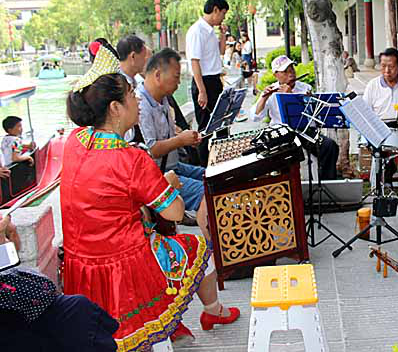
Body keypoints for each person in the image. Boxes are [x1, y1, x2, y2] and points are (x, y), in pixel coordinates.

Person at [61, 46, 240, 351]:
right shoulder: (130, 158)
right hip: (125, 263)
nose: (137, 101)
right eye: (131, 94)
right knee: (196, 247)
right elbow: (174, 212)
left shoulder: (75, 141)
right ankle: (211, 311)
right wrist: (170, 184)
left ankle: (178, 324)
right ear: (115, 108)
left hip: (81, 262)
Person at [0, 213, 119, 351]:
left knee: (80, 309)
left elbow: (12, 253)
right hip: (16, 319)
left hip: (37, 306)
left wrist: (9, 233)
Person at [137, 49, 205, 217]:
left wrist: (184, 137)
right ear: (158, 75)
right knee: (206, 192)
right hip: (158, 175)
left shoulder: (163, 98)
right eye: (176, 77)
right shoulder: (141, 104)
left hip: (173, 165)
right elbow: (152, 149)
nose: (179, 82)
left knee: (211, 175)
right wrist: (180, 140)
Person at [251, 55, 339, 180]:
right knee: (283, 155)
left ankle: (326, 183)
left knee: (329, 146)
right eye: (285, 71)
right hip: (280, 133)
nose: (290, 73)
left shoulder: (305, 88)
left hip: (303, 130)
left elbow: (309, 115)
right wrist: (264, 97)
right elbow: (255, 117)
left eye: (291, 69)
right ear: (276, 75)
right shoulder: (271, 90)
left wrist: (290, 95)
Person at [362, 47, 398, 185]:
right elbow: (366, 112)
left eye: (391, 67)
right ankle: (383, 180)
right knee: (378, 142)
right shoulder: (373, 85)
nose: (387, 71)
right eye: (383, 66)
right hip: (381, 124)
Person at [187, 0, 229, 165]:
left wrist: (223, 35)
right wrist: (202, 90)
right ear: (215, 10)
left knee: (223, 124)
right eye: (223, 13)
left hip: (214, 81)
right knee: (205, 128)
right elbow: (194, 61)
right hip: (203, 82)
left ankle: (224, 161)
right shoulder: (197, 31)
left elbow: (221, 52)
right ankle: (204, 167)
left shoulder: (210, 30)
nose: (223, 18)